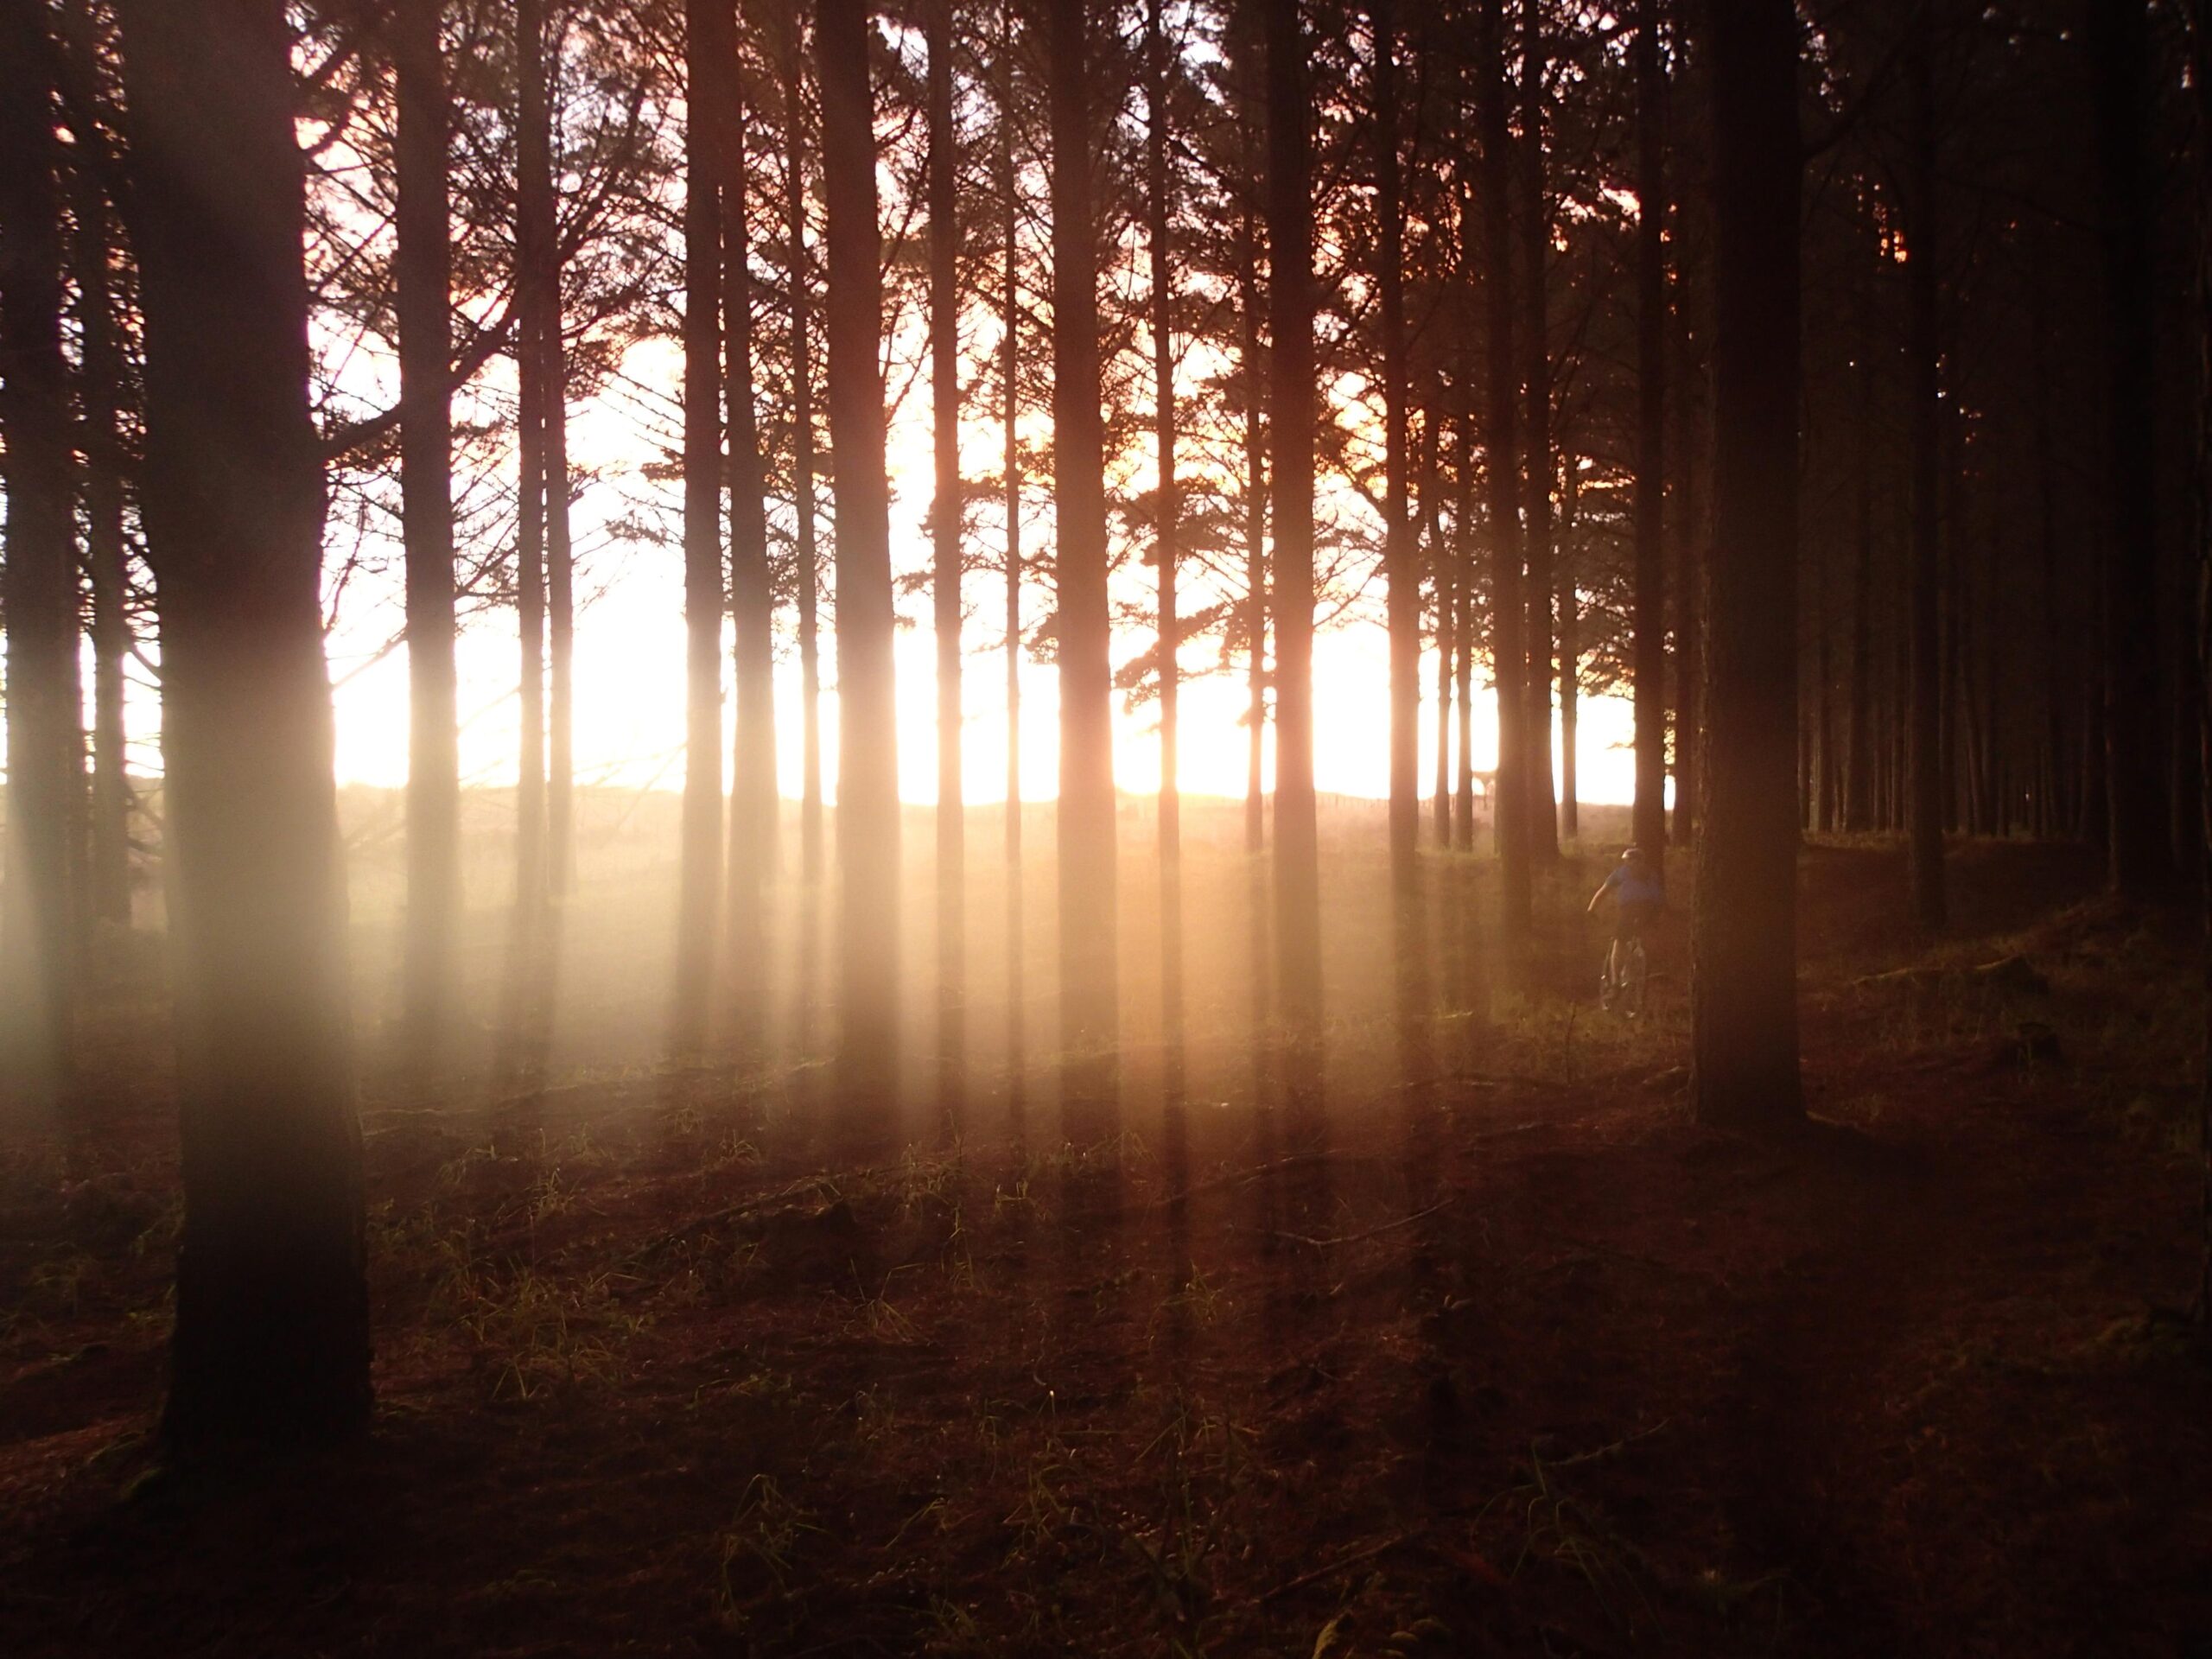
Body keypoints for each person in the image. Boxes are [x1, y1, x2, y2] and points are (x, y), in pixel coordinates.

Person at [1586, 846, 1663, 1005]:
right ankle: (1644, 966)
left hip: (1628, 911)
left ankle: (1615, 986)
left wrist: (1591, 909)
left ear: (1626, 861)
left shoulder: (1621, 872)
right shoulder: (1651, 874)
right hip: (1650, 911)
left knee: (1619, 943)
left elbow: (1603, 892)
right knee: (1645, 939)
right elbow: (1659, 898)